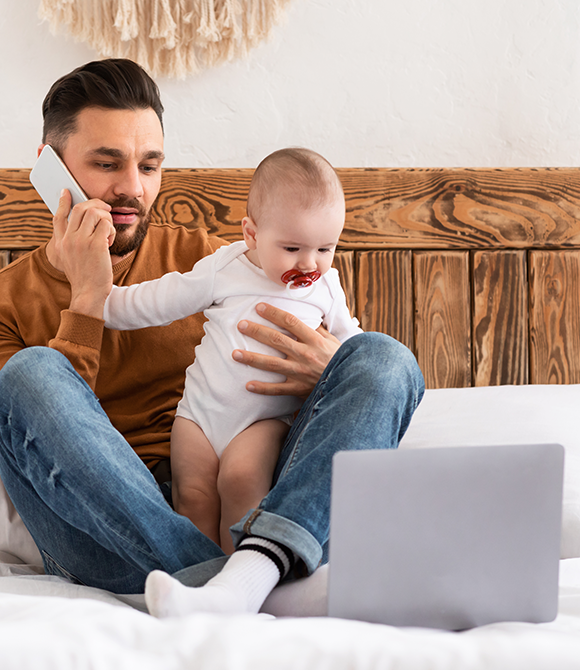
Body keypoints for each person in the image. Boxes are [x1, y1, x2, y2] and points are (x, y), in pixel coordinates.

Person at [0, 58, 425, 618]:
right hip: (104, 526)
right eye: (107, 164)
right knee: (27, 375)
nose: (132, 189)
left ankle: (243, 574)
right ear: (49, 168)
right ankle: (249, 579)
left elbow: (329, 393)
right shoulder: (9, 298)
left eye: (149, 166)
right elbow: (41, 444)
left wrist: (330, 367)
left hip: (254, 507)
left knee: (385, 358)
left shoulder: (212, 260)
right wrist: (86, 298)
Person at [103, 147, 363, 554]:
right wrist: (104, 305)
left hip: (261, 420)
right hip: (199, 415)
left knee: (241, 482)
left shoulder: (326, 289)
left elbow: (355, 349)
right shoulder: (226, 267)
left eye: (325, 249)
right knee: (193, 495)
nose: (310, 263)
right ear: (252, 234)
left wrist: (347, 369)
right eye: (292, 249)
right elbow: (162, 298)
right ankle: (196, 573)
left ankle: (237, 571)